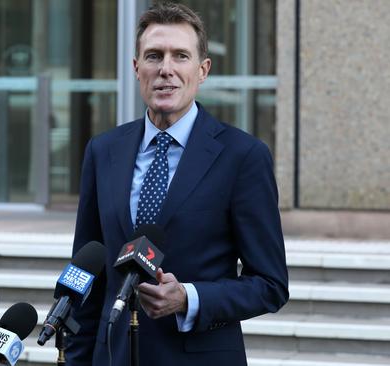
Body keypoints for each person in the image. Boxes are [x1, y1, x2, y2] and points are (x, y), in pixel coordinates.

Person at [67, 3, 288, 365]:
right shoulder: (103, 150)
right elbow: (88, 271)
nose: (165, 69)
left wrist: (189, 298)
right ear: (137, 68)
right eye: (154, 56)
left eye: (180, 56)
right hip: (114, 355)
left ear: (202, 71)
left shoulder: (242, 156)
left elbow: (270, 285)